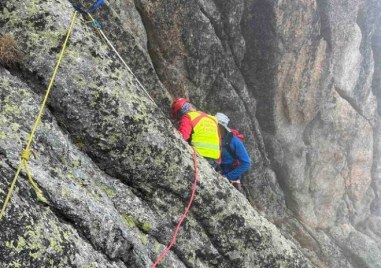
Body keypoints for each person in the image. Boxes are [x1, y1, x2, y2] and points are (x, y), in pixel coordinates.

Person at [171, 98, 221, 167]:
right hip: (215, 158)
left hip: (200, 155)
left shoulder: (188, 117)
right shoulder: (212, 118)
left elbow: (182, 137)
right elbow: (219, 139)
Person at [215, 112, 251, 192]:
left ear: (221, 127)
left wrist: (227, 177)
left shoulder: (233, 141)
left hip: (230, 174)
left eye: (216, 124)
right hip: (218, 170)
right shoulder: (212, 135)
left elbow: (246, 162)